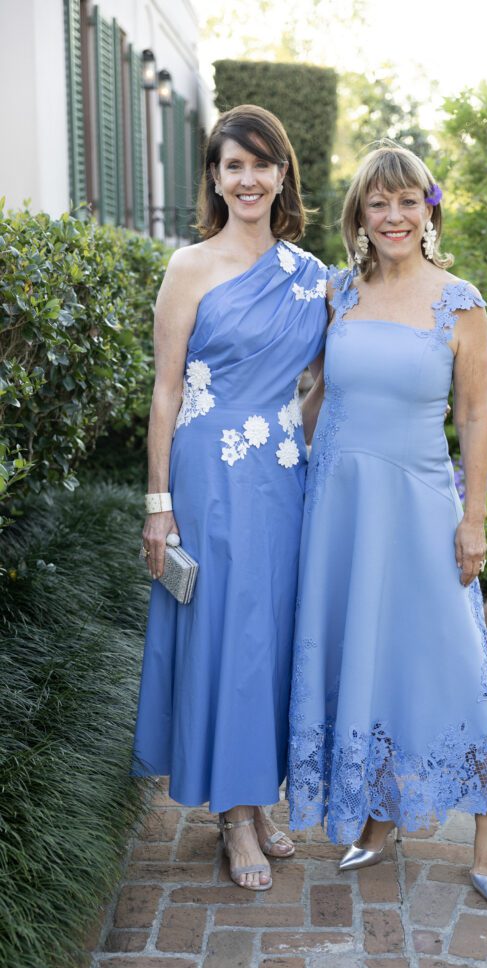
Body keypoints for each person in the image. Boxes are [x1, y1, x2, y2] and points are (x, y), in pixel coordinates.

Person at [287, 144, 487, 903]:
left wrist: (472, 519)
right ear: (360, 215)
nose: (393, 217)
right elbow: (316, 391)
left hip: (417, 503)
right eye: (377, 204)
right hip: (339, 505)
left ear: (429, 210)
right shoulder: (337, 294)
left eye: (407, 202)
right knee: (364, 653)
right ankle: (378, 817)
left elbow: (476, 417)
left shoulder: (460, 301)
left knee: (446, 653)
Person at [133, 105, 327, 892]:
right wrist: (157, 502)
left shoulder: (311, 276)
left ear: (283, 174)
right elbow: (166, 390)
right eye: (232, 166)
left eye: (261, 164)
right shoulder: (189, 267)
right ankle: (232, 817)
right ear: (214, 178)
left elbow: (319, 383)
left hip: (283, 475)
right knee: (223, 632)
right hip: (209, 474)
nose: (248, 179)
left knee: (269, 636)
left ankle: (259, 794)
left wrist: (309, 438)